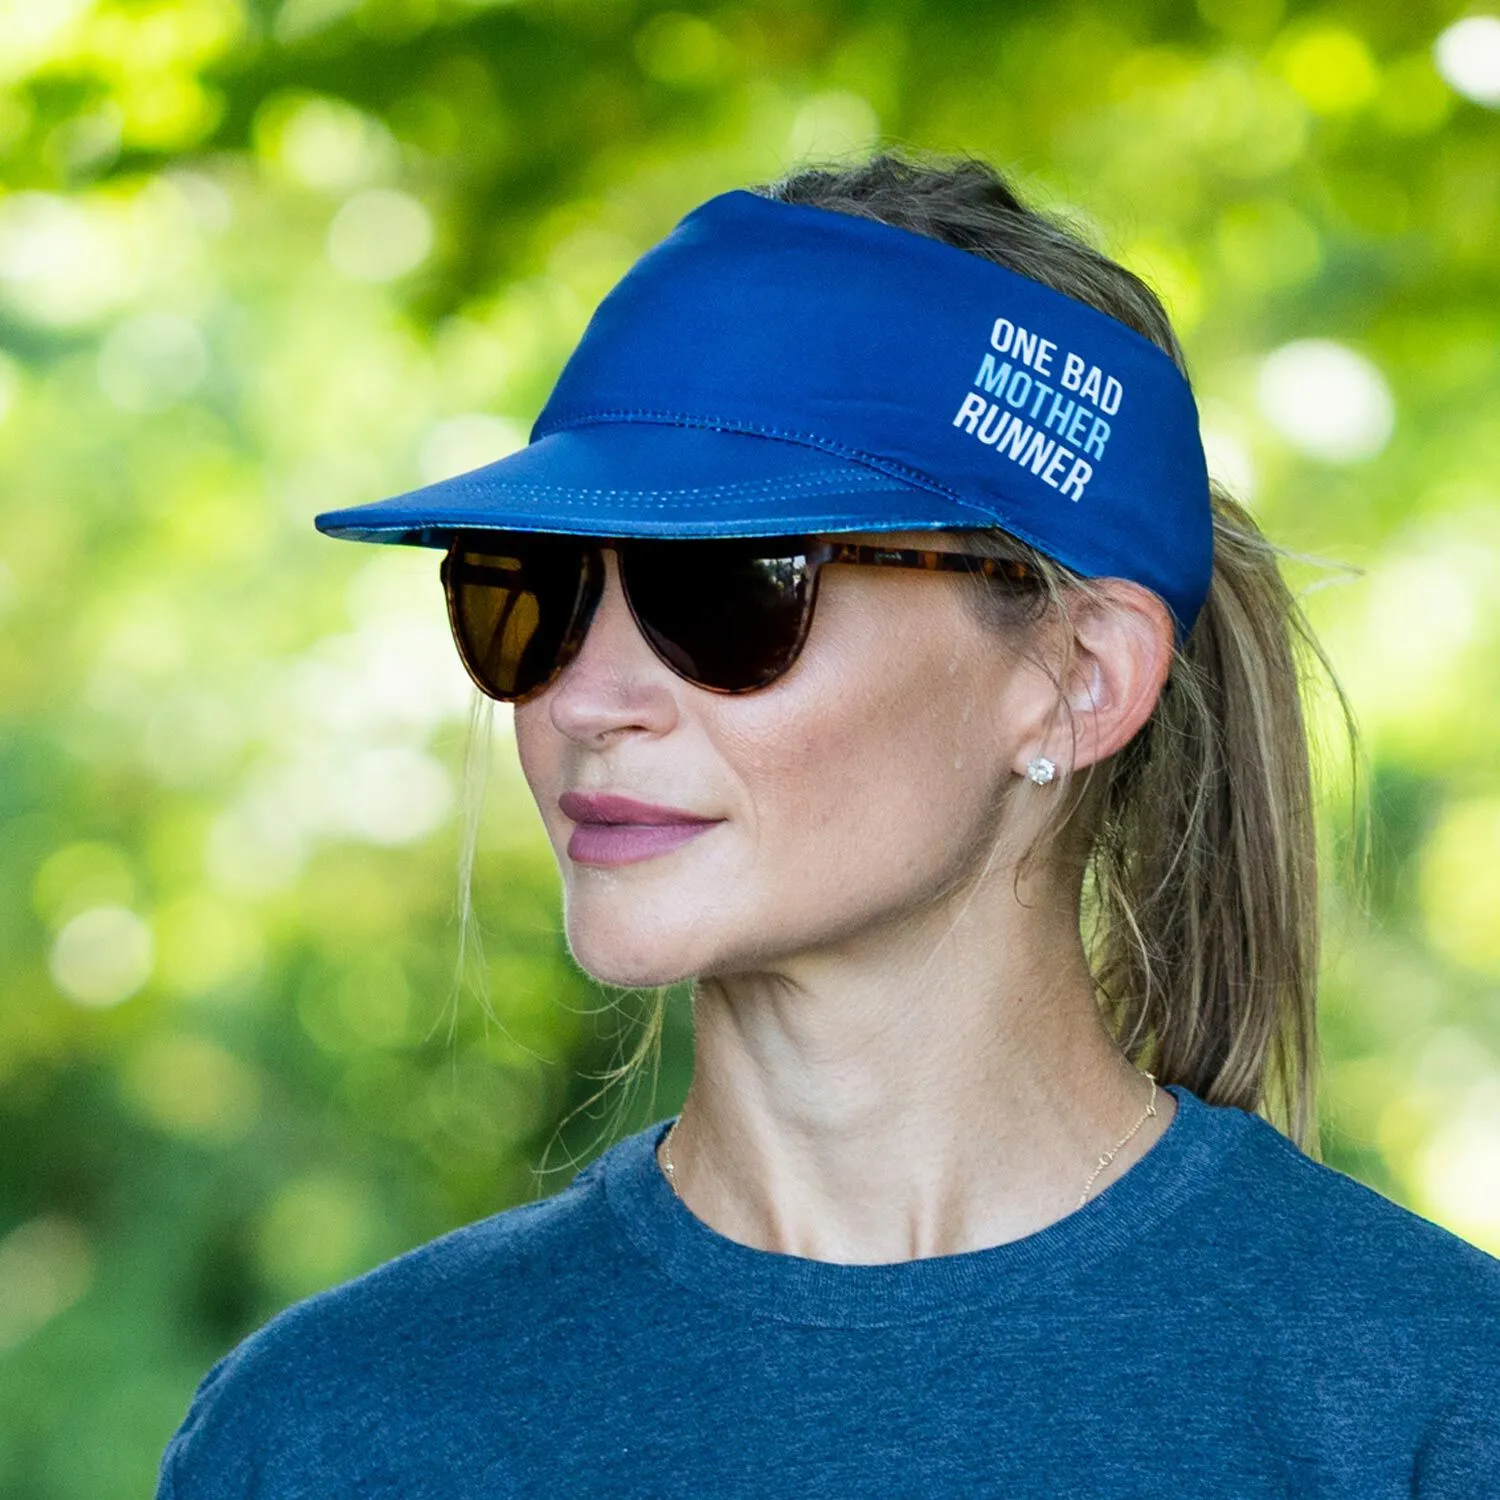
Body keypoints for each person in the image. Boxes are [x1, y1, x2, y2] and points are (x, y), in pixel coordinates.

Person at [156, 150, 1499, 1497]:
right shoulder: (327, 1436)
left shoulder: (1431, 1410)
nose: (585, 697)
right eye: (534, 587)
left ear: (1077, 677)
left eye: (730, 588)